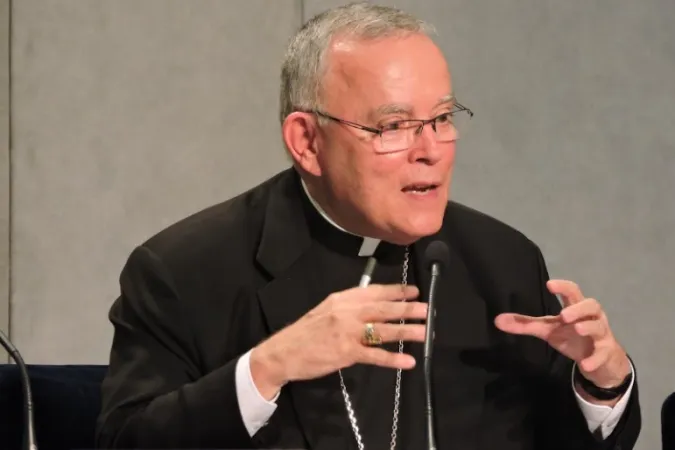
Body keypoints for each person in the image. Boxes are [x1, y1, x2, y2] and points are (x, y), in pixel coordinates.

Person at [95, 3, 641, 449]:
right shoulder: (183, 271)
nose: (430, 151)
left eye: (443, 119)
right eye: (394, 125)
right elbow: (126, 441)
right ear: (307, 141)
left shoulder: (501, 262)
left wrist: (602, 383)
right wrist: (268, 367)